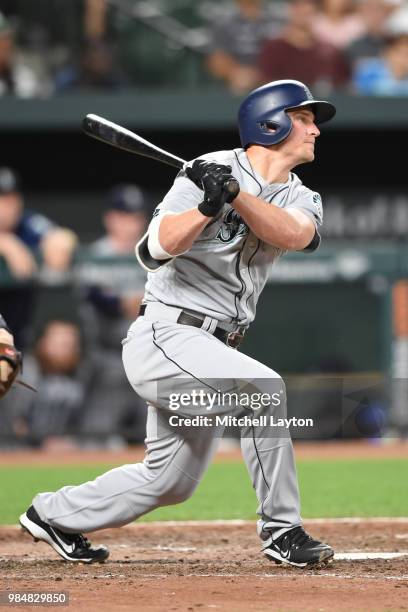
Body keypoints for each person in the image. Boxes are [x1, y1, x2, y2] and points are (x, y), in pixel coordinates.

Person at [20, 79, 335, 568]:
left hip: (213, 349)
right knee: (262, 390)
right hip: (167, 336)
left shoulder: (303, 196)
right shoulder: (203, 174)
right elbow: (152, 250)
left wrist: (236, 198)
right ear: (270, 122)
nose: (315, 129)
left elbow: (292, 234)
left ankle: (53, 514)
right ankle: (281, 530)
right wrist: (207, 205)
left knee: (168, 481)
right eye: (305, 117)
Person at [258, 0, 350, 93]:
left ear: (316, 11)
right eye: (297, 5)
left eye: (309, 5)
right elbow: (268, 88)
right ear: (290, 10)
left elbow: (343, 89)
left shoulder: (330, 52)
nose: (303, 10)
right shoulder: (273, 49)